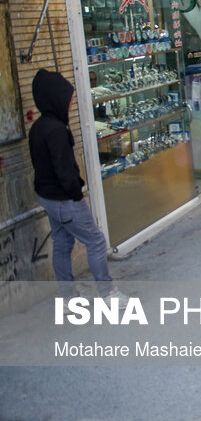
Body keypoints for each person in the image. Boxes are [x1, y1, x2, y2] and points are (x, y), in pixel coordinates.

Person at [29, 69, 123, 300]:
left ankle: (69, 296)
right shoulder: (56, 130)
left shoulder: (38, 128)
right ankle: (107, 293)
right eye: (67, 98)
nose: (70, 103)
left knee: (61, 243)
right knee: (96, 241)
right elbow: (64, 169)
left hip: (48, 197)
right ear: (56, 98)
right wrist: (77, 195)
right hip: (65, 198)